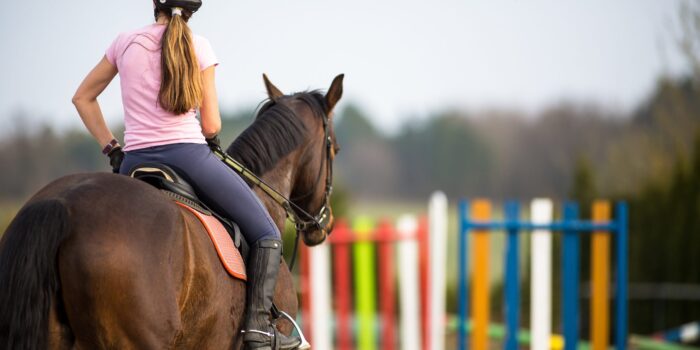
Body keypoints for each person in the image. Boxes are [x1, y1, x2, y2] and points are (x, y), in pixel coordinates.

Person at [71, 1, 301, 349]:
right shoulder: (199, 45)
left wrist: (112, 149)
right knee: (267, 233)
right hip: (189, 156)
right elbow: (211, 124)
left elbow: (82, 98)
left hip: (134, 162)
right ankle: (257, 328)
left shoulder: (124, 42)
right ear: (193, 9)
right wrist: (211, 138)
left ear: (154, 4)